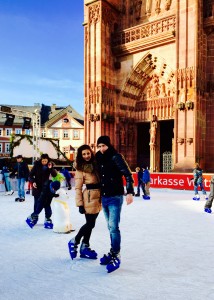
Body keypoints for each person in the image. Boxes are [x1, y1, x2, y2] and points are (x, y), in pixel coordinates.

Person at [95, 135, 134, 273]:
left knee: (113, 227)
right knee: (109, 226)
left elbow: (128, 174)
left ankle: (116, 253)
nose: (101, 149)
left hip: (115, 197)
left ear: (108, 145)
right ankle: (113, 251)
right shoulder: (98, 157)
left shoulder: (116, 156)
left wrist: (130, 192)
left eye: (103, 146)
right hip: (104, 197)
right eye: (99, 146)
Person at [68, 144, 101, 260]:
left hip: (98, 198)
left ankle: (85, 246)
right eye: (84, 154)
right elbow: (78, 188)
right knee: (90, 224)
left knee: (91, 224)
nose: (86, 156)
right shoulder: (80, 168)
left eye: (88, 153)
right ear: (81, 156)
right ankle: (75, 241)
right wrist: (80, 204)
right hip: (88, 198)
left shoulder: (96, 165)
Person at [27, 153, 58, 224]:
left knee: (47, 204)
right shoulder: (36, 166)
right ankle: (34, 217)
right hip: (37, 188)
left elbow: (54, 175)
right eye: (43, 161)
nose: (44, 162)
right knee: (37, 203)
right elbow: (30, 176)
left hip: (46, 188)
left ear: (48, 160)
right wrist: (33, 181)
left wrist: (51, 168)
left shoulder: (49, 165)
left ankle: (47, 218)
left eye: (45, 161)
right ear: (41, 160)